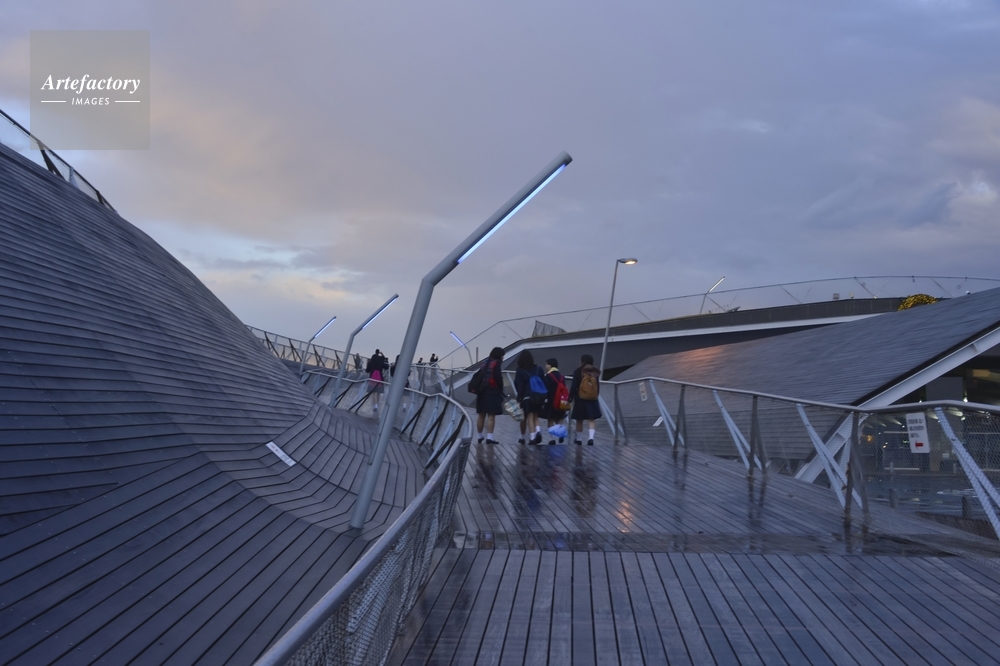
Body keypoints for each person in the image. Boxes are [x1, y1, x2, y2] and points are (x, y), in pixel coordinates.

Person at [569, 354, 602, 445]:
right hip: (592, 398)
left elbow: (574, 386)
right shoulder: (595, 371)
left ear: (582, 361)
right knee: (591, 419)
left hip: (580, 398)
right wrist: (595, 395)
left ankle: (579, 439)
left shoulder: (578, 371)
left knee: (579, 419)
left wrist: (570, 397)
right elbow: (597, 386)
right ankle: (591, 438)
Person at [513, 350, 545, 445]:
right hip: (539, 396)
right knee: (536, 416)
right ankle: (538, 431)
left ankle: (532, 437)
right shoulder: (538, 369)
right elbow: (543, 381)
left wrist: (519, 397)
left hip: (527, 396)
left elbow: (519, 385)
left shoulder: (520, 370)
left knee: (530, 416)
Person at [475, 347, 505, 444]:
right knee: (491, 416)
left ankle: (479, 436)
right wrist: (501, 389)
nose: (503, 357)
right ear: (499, 355)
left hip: (481, 391)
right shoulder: (496, 363)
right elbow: (498, 378)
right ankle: (489, 437)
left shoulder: (485, 362)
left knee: (481, 415)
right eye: (502, 355)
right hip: (492, 391)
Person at [542, 357, 568, 445]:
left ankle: (552, 438)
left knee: (550, 419)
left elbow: (545, 388)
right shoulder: (561, 376)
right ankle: (561, 434)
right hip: (561, 401)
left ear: (550, 365)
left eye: (546, 364)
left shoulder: (548, 376)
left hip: (551, 401)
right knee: (559, 419)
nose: (545, 366)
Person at [366, 349, 388, 414]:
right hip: (380, 379)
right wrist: (382, 354)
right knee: (378, 392)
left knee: (374, 392)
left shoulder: (370, 362)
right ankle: (377, 404)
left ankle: (375, 405)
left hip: (373, 379)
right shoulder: (381, 362)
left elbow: (367, 370)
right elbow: (386, 366)